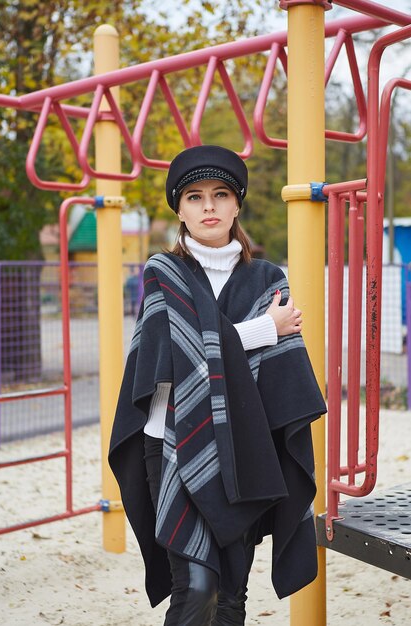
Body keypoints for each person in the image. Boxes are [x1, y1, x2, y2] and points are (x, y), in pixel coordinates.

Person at [109, 145, 326, 625]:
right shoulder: (162, 273)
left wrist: (252, 337)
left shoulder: (268, 279)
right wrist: (262, 330)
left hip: (244, 449)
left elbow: (280, 372)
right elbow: (174, 359)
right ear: (180, 209)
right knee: (197, 588)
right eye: (194, 196)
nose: (208, 206)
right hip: (171, 446)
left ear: (236, 204)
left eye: (220, 194)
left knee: (231, 596)